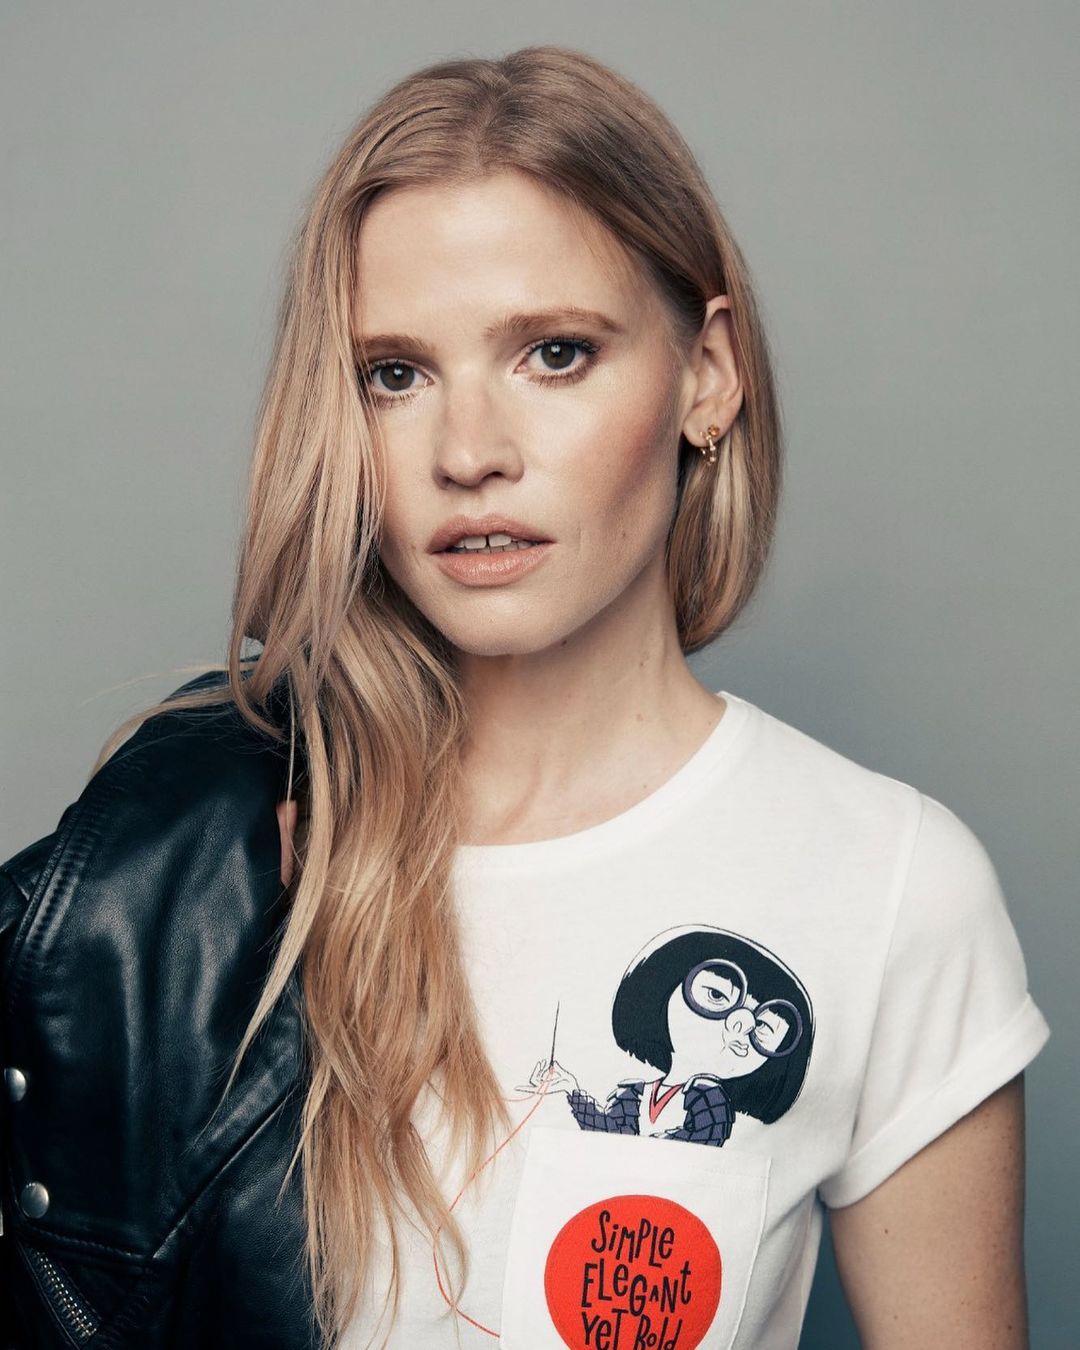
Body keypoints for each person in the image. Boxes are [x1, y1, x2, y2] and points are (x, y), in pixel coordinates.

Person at [0, 44, 1050, 1350]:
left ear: (708, 375)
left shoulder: (888, 885)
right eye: (396, 374)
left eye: (555, 353)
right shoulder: (196, 860)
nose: (469, 453)